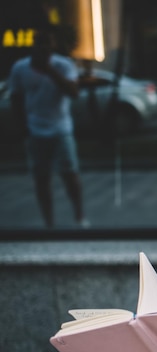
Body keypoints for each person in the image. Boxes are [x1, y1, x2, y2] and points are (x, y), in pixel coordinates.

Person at [8, 28, 87, 228]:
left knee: (70, 174)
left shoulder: (63, 65)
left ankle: (80, 217)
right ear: (33, 45)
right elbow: (15, 97)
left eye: (47, 43)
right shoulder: (20, 68)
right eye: (39, 43)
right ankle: (48, 223)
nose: (43, 48)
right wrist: (22, 126)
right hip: (35, 130)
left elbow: (73, 92)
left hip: (61, 128)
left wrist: (49, 70)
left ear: (52, 46)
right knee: (41, 179)